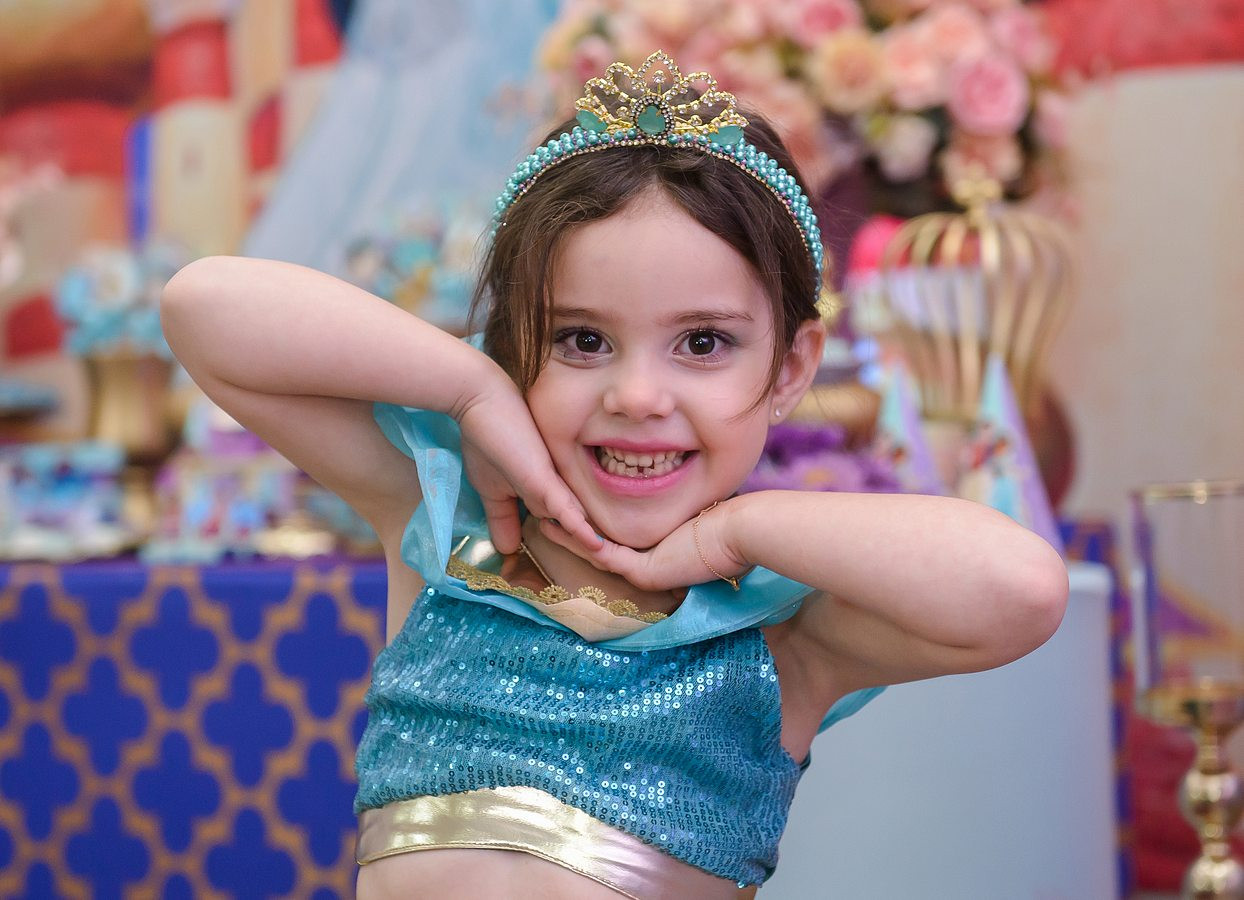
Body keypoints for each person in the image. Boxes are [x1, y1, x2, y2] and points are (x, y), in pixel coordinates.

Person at [161, 51, 1067, 900]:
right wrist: (472, 389)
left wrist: (737, 532)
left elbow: (1022, 588)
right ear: (517, 343)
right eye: (581, 339)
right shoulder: (447, 529)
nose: (637, 396)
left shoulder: (781, 638)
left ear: (791, 369)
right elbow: (203, 306)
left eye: (702, 343)